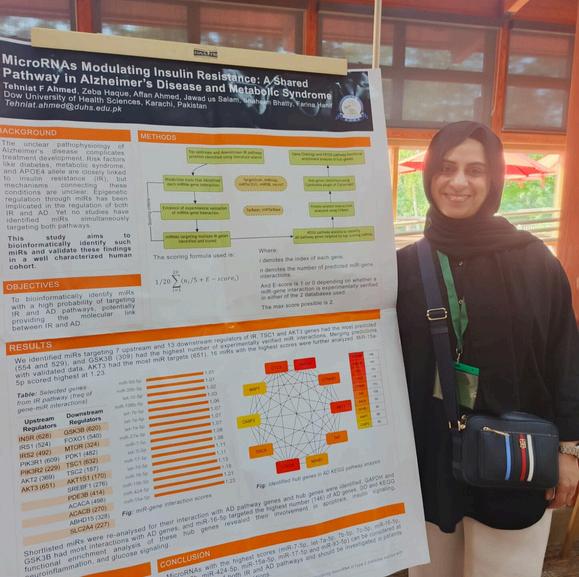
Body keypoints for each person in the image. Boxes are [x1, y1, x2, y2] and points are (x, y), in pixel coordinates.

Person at [396, 121, 579, 577]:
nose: (458, 182)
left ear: (494, 180)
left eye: (475, 170)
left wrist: (570, 452)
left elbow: (565, 358)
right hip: (430, 456)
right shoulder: (405, 267)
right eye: (446, 167)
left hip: (517, 456)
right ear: (430, 175)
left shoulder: (535, 262)